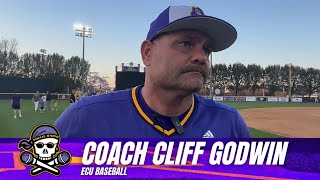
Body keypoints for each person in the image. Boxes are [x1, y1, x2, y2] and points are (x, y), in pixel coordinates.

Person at [55, 6, 251, 138]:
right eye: (186, 43)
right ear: (147, 53)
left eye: (206, 49)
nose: (201, 56)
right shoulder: (86, 117)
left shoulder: (230, 124)